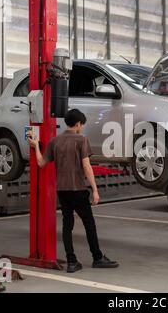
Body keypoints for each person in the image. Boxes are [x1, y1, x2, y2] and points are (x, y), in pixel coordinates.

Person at [28, 109, 119, 273]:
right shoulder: (81, 140)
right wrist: (95, 189)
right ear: (78, 124)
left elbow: (41, 163)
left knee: (67, 225)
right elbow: (86, 166)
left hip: (62, 190)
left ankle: (71, 261)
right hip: (78, 189)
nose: (81, 128)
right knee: (89, 224)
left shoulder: (55, 141)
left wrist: (35, 147)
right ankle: (97, 257)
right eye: (81, 125)